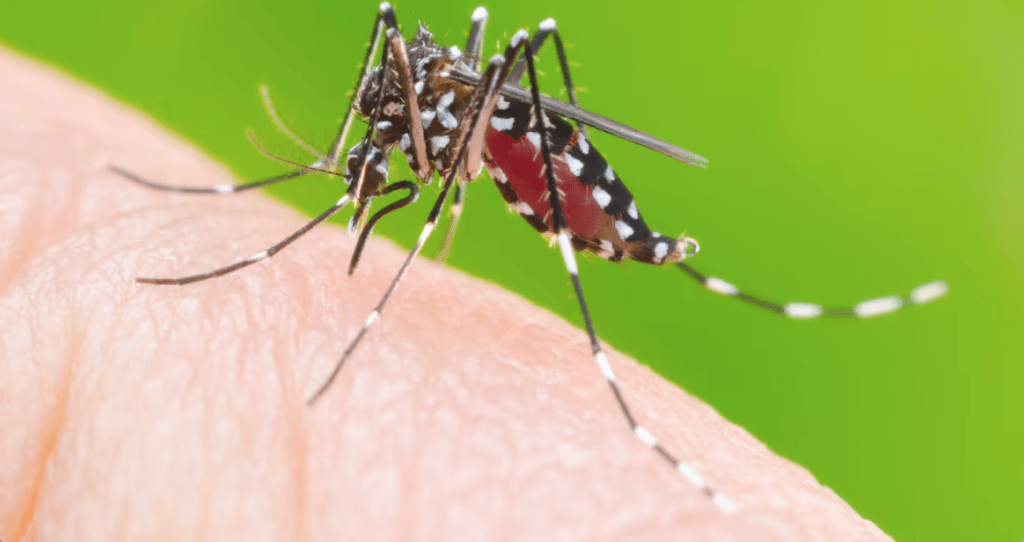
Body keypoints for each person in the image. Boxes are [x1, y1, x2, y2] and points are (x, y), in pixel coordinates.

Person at [0, 47, 891, 541]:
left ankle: (610, 364)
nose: (366, 182)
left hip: (525, 143)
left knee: (506, 57)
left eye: (360, 166)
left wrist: (388, 286)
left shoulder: (426, 115)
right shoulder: (402, 112)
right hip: (485, 129)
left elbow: (459, 90)